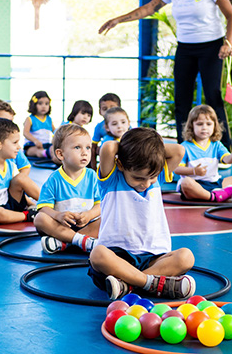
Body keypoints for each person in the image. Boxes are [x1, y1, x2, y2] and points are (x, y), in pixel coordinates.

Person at [98, 0, 232, 149]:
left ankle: (224, 148)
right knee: (181, 98)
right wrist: (118, 20)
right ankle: (184, 147)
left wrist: (228, 43)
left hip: (211, 46)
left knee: (212, 95)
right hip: (185, 48)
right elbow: (149, 8)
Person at [88, 127, 196, 300]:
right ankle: (150, 283)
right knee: (98, 255)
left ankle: (129, 285)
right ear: (121, 165)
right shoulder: (112, 179)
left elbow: (179, 150)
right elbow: (108, 147)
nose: (146, 183)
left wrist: (151, 147)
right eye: (138, 178)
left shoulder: (158, 175)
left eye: (151, 177)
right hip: (117, 257)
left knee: (185, 257)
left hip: (153, 257)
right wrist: (132, 148)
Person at [34, 124, 101, 254]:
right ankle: (82, 241)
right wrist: (58, 215)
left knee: (108, 218)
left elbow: (100, 204)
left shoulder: (92, 176)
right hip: (61, 226)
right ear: (60, 154)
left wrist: (89, 214)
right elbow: (43, 207)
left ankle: (64, 242)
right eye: (77, 147)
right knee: (40, 219)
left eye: (88, 147)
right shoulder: (54, 179)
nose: (85, 152)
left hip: (87, 224)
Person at [173, 105, 232, 202]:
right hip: (196, 184)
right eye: (200, 124)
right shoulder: (184, 147)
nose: (204, 128)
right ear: (191, 126)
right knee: (186, 183)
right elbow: (177, 169)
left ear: (214, 126)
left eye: (208, 124)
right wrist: (194, 171)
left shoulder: (216, 145)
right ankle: (213, 197)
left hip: (214, 182)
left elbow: (228, 160)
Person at [90, 93, 122, 169]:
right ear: (100, 111)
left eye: (112, 108)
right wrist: (93, 166)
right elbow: (93, 147)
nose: (109, 111)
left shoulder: (124, 125)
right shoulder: (99, 127)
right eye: (105, 109)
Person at [23, 91, 55, 158]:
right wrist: (35, 141)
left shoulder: (49, 119)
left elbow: (55, 132)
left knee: (53, 148)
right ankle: (45, 153)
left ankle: (49, 153)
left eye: (46, 104)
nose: (44, 106)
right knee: (35, 151)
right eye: (40, 103)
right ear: (34, 105)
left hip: (46, 145)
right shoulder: (30, 119)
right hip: (32, 145)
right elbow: (25, 133)